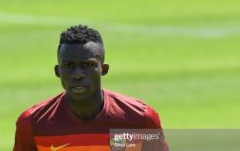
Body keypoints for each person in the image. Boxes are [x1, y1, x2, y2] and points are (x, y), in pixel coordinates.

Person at [13, 25, 169, 151]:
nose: (78, 75)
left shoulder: (140, 119)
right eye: (68, 66)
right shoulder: (33, 123)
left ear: (104, 69)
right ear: (57, 71)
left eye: (87, 65)